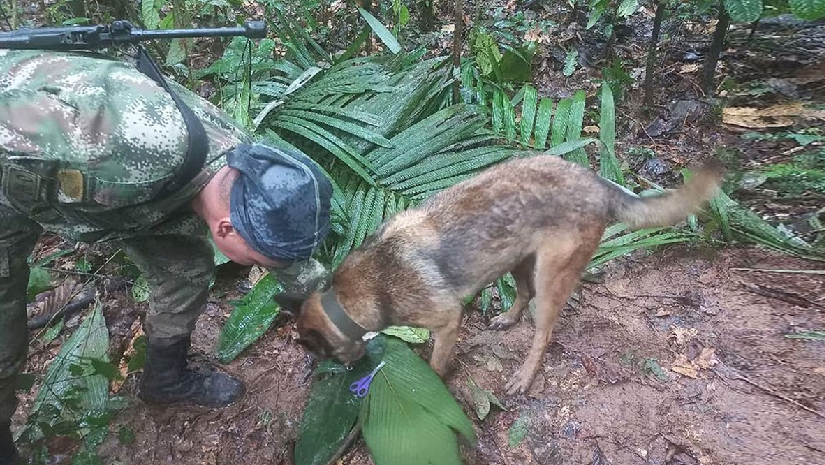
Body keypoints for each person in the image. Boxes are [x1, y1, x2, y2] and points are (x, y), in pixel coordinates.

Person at [0, 47, 332, 464]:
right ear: (225, 229)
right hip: (14, 169)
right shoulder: (123, 151)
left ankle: (164, 379)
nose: (263, 268)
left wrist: (336, 322)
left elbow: (290, 258)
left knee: (186, 270)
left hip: (122, 194)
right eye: (260, 262)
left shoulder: (246, 171)